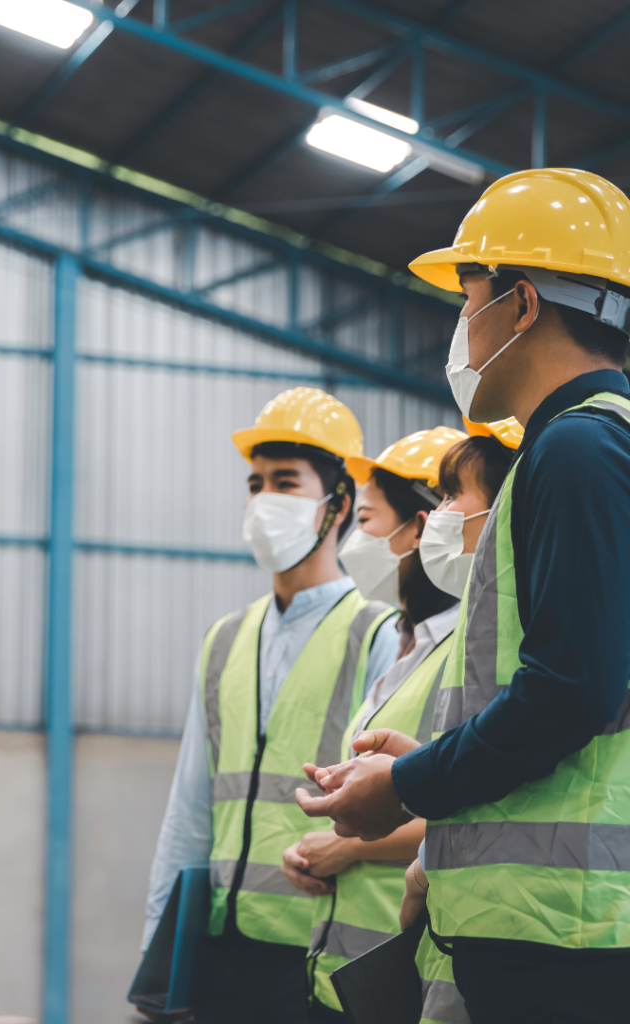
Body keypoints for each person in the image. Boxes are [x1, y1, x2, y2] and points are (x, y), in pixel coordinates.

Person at [294, 168, 630, 1023]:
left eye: (467, 291)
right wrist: (435, 757)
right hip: (559, 924)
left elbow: (569, 692)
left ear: (520, 304)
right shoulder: (589, 447)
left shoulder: (578, 452)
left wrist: (407, 785)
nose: (461, 324)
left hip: (560, 928)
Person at [140, 388, 398, 1023]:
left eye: (285, 482)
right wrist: (158, 952)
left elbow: (400, 799)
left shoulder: (380, 633)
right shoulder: (224, 639)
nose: (263, 501)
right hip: (221, 946)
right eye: (255, 484)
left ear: (337, 503)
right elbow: (189, 808)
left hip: (321, 950)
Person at [280, 426, 466, 1020]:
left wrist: (347, 849)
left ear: (418, 528)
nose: (355, 539)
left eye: (366, 521)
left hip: (406, 967)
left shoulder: (466, 653)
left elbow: (465, 807)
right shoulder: (399, 644)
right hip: (343, 968)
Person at [397, 418, 521, 1024]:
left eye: (451, 497)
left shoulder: (522, 628)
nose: (437, 517)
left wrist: (404, 784)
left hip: (516, 935)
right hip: (459, 929)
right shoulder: (478, 625)